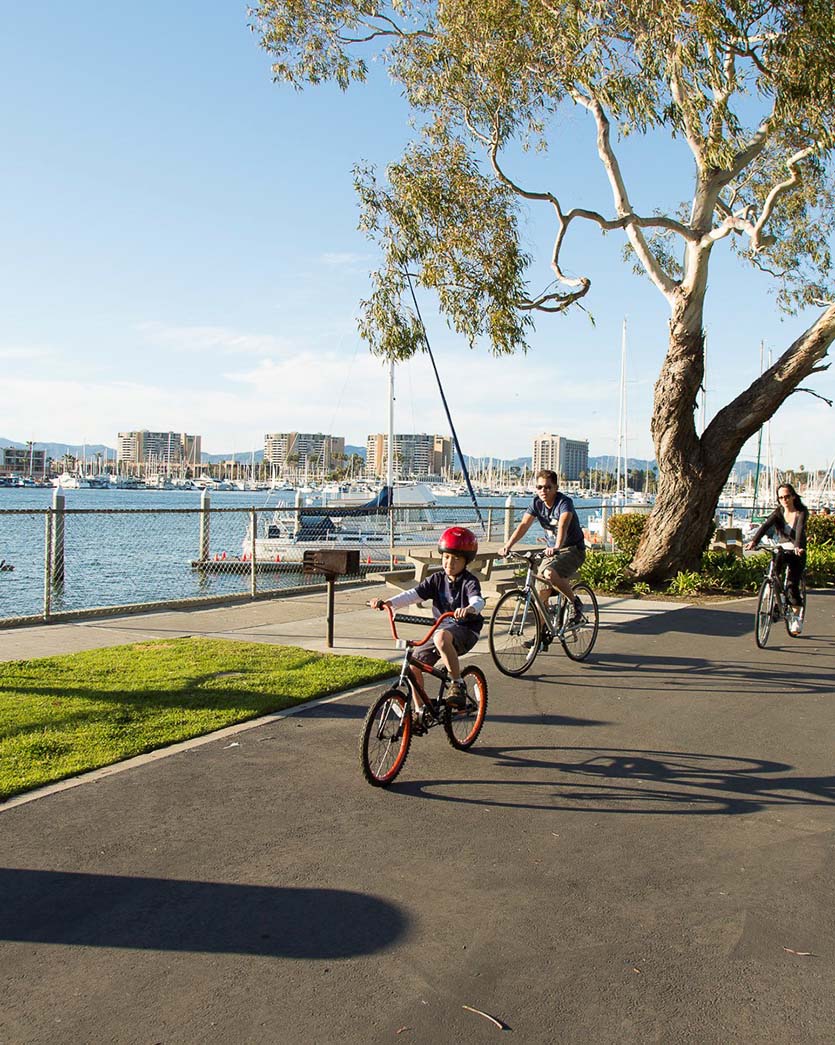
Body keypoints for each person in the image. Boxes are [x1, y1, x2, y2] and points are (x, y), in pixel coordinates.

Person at [369, 526, 485, 715]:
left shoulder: (469, 581)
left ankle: (457, 683)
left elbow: (478, 600)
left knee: (440, 638)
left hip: (465, 630)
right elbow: (413, 595)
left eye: (456, 559)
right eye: (446, 557)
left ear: (466, 561)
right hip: (442, 629)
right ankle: (420, 711)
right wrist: (388, 603)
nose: (450, 562)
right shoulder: (436, 579)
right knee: (413, 665)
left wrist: (470, 609)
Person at [500, 469, 586, 622]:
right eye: (539, 487)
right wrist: (508, 546)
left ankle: (575, 602)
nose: (543, 491)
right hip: (552, 552)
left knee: (549, 574)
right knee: (540, 596)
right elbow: (523, 525)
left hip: (573, 549)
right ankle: (541, 635)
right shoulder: (536, 503)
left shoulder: (564, 503)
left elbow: (563, 525)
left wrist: (557, 546)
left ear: (556, 488)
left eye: (547, 487)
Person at [745, 482, 808, 635]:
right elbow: (766, 525)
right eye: (781, 497)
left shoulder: (801, 512)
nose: (784, 500)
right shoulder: (778, 512)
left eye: (787, 496)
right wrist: (754, 541)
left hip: (797, 550)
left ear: (793, 496)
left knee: (792, 584)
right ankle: (773, 591)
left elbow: (799, 529)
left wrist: (798, 546)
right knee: (774, 570)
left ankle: (794, 618)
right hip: (782, 548)